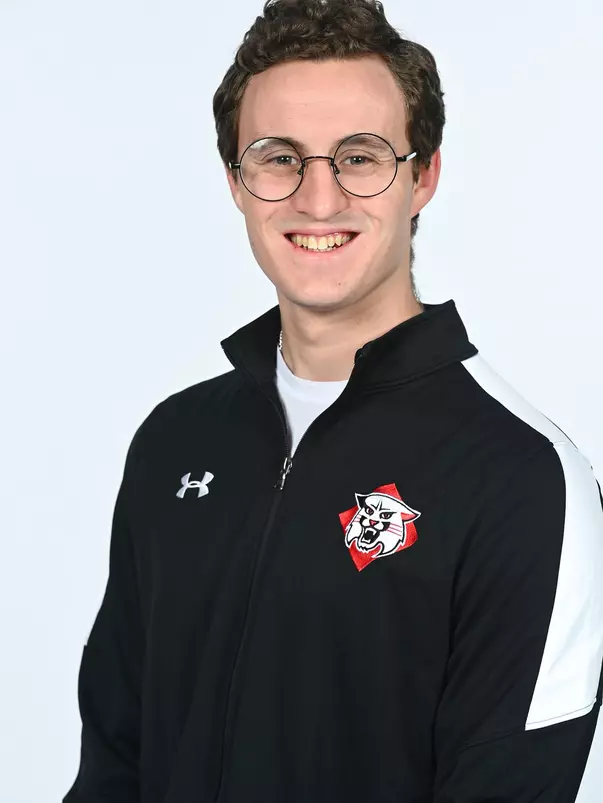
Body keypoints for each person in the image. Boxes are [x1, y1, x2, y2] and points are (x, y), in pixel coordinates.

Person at [63, 1, 603, 801]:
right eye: (279, 158)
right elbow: (114, 759)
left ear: (422, 177)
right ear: (236, 184)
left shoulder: (523, 478)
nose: (318, 200)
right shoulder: (176, 442)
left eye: (359, 157)